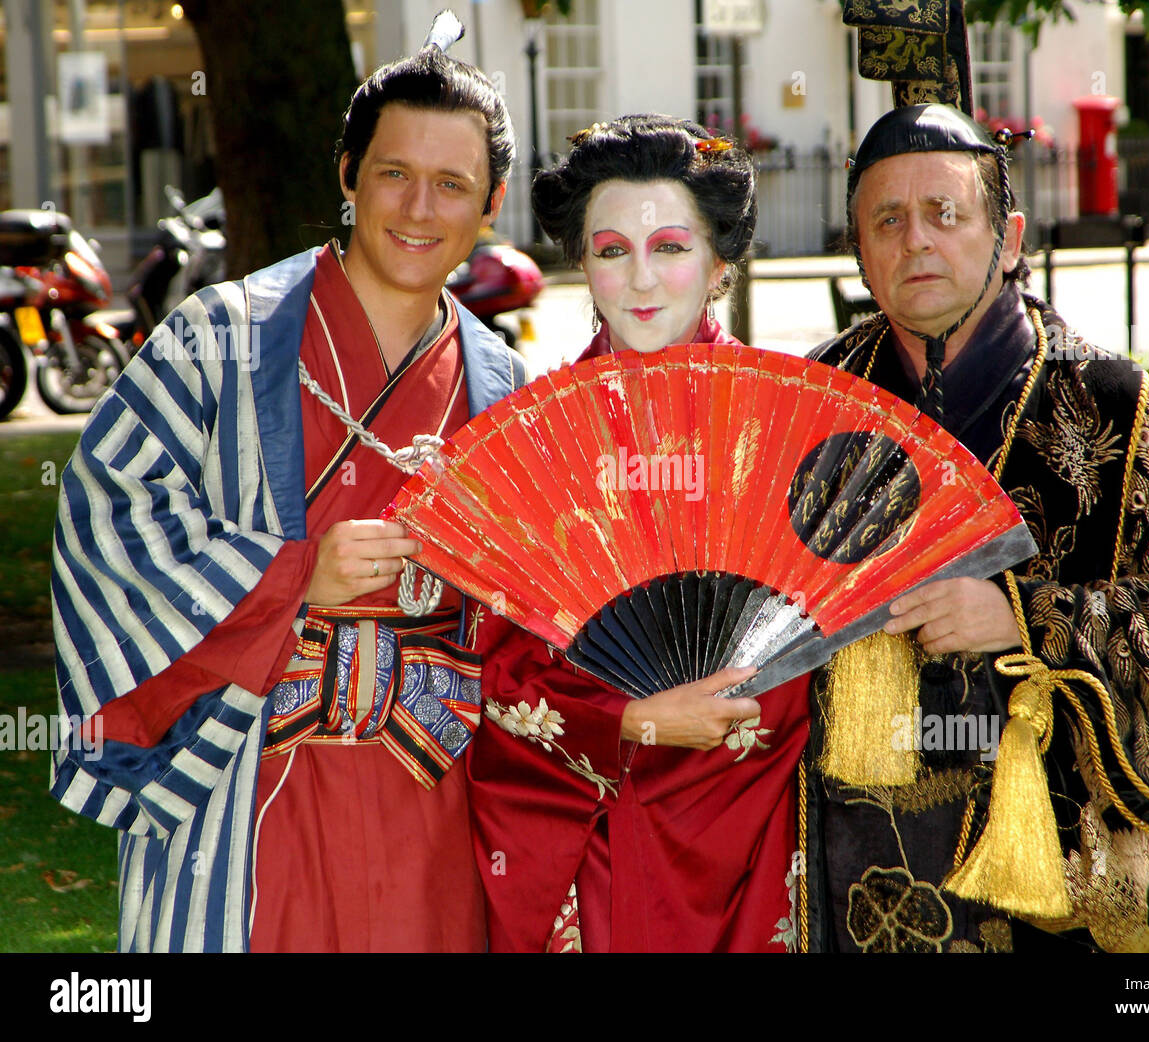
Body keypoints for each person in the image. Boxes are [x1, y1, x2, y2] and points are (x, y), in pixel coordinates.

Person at [49, 15, 526, 952]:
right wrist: (291, 575)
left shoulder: (508, 388)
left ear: (493, 204)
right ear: (347, 176)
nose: (419, 208)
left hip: (434, 814)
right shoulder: (217, 337)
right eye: (393, 173)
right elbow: (105, 522)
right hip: (244, 798)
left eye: (452, 185)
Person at [801, 103, 1149, 953]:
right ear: (858, 249)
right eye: (886, 220)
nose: (915, 241)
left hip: (1059, 868)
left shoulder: (1112, 402)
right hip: (864, 866)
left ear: (1008, 239)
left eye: (944, 213)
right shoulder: (817, 401)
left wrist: (1028, 616)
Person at [464, 115, 811, 952]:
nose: (642, 279)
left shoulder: (790, 429)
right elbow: (490, 657)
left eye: (673, 246)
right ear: (582, 263)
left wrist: (730, 711)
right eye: (613, 250)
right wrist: (633, 717)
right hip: (589, 817)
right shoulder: (534, 440)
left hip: (756, 810)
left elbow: (828, 626)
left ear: (721, 261)